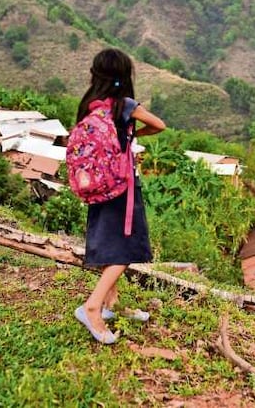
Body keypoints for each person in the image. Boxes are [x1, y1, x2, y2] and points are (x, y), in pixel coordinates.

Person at [73, 48, 166, 344]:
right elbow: (159, 125)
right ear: (124, 76)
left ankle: (113, 305)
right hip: (122, 188)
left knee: (108, 243)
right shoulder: (124, 105)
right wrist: (134, 134)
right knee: (125, 249)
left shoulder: (89, 105)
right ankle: (92, 307)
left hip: (97, 185)